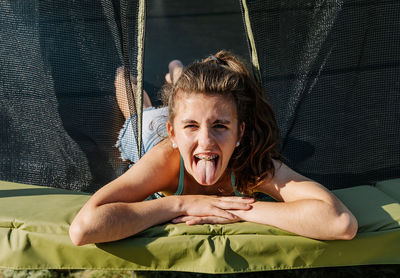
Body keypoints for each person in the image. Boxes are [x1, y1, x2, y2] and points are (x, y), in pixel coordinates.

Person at [69, 51, 358, 246]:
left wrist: (243, 210)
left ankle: (177, 75)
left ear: (240, 133)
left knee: (190, 107)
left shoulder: (251, 163)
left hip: (182, 115)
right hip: (150, 133)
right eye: (192, 127)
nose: (206, 141)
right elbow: (83, 228)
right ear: (175, 133)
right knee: (139, 111)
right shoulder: (164, 160)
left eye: (220, 126)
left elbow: (340, 222)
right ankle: (127, 77)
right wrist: (182, 203)